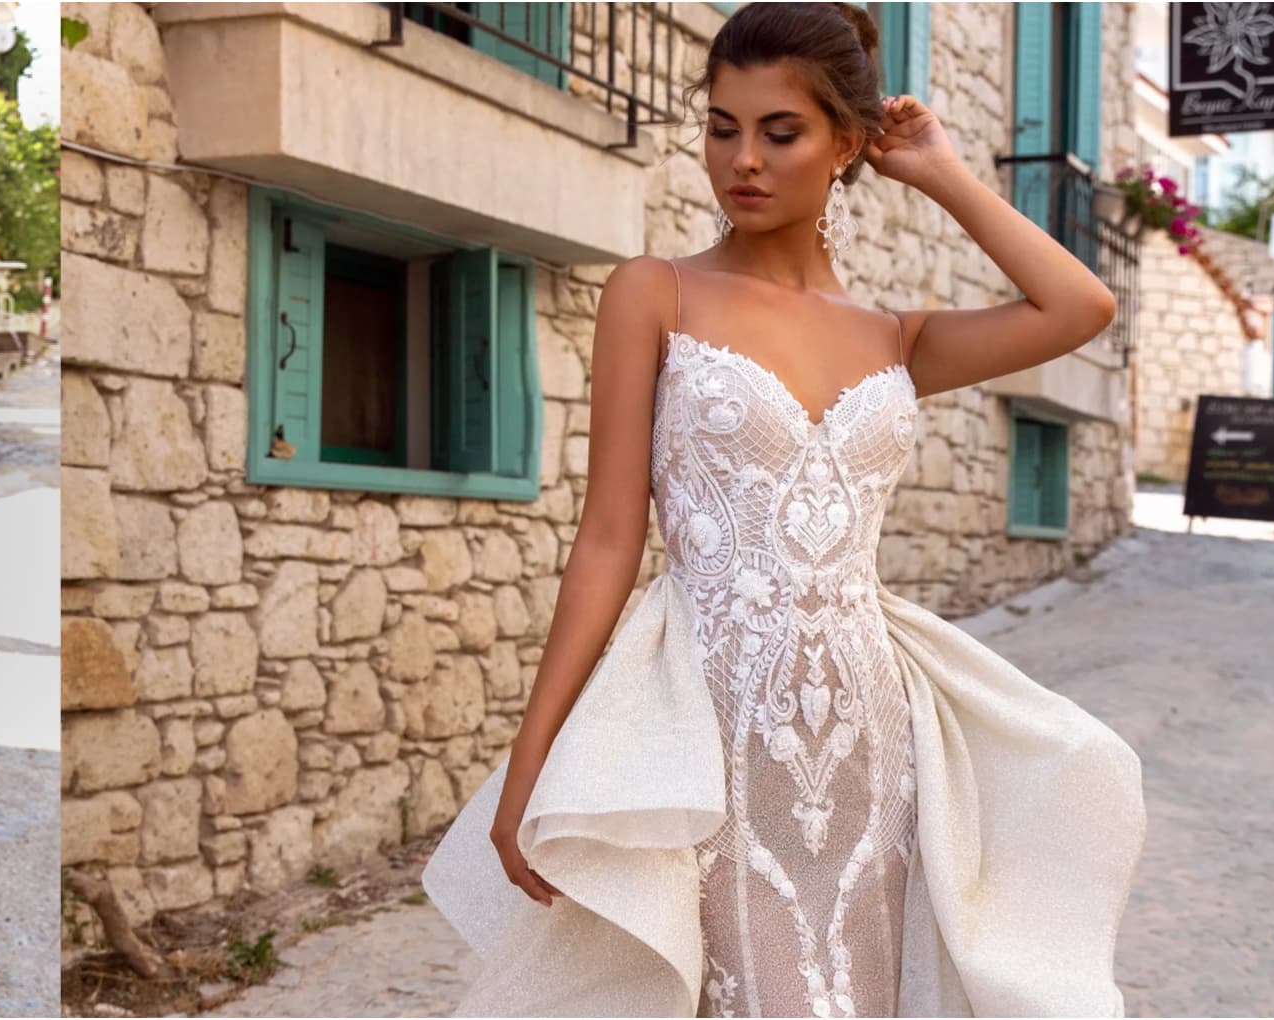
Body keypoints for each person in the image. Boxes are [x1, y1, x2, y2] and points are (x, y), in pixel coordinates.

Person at [420, 4, 1147, 1016]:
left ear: (846, 145)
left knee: (850, 986)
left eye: (779, 131)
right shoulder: (654, 293)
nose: (741, 160)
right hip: (704, 716)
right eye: (722, 127)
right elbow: (606, 541)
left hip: (864, 726)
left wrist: (938, 170)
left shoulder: (892, 335)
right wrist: (531, 762)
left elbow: (1076, 308)